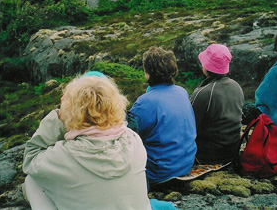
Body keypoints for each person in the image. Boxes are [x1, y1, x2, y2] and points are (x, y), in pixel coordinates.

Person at [22, 73, 151, 210]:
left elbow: (31, 157)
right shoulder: (134, 141)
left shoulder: (63, 156)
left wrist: (59, 117)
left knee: (32, 181)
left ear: (71, 112)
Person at [128, 47, 197, 186]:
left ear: (147, 74)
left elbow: (129, 135)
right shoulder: (182, 92)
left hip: (159, 172)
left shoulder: (145, 102)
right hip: (186, 164)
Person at [190, 44, 244, 164]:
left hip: (207, 156)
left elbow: (189, 127)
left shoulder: (204, 93)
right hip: (231, 151)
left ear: (207, 67)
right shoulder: (236, 86)